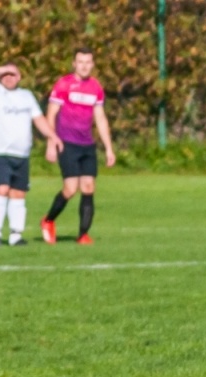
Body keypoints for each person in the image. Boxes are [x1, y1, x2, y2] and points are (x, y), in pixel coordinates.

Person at [0, 63, 59, 246]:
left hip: (22, 153)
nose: (9, 77)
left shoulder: (27, 96)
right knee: (1, 190)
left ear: (19, 77)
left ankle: (16, 235)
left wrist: (53, 137)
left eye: (13, 74)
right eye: (5, 75)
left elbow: (39, 119)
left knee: (18, 193)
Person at [41, 48, 116, 246]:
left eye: (88, 62)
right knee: (70, 188)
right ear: (74, 64)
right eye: (80, 62)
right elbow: (51, 114)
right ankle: (48, 220)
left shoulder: (96, 87)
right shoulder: (64, 84)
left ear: (92, 64)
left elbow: (100, 117)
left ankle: (83, 234)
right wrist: (51, 143)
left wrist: (108, 148)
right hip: (67, 143)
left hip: (87, 145)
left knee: (89, 187)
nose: (84, 65)